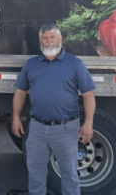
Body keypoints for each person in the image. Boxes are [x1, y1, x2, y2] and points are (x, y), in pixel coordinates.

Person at [7, 23, 97, 195]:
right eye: (45, 38)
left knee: (69, 174)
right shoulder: (31, 64)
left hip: (65, 128)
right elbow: (20, 92)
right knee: (36, 173)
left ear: (60, 39)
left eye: (52, 37)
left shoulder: (75, 64)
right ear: (40, 41)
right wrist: (16, 117)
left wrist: (88, 123)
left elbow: (88, 95)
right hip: (37, 128)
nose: (49, 41)